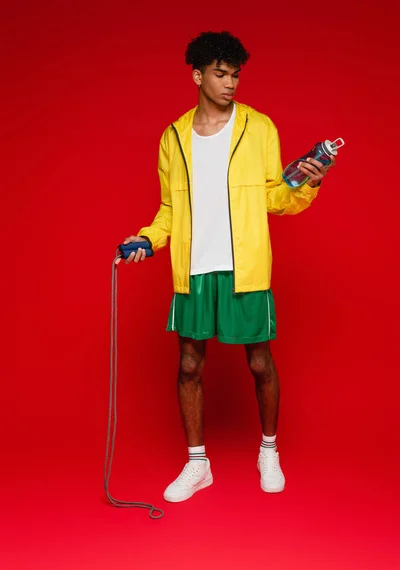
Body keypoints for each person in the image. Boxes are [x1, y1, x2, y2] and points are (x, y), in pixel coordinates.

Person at [120, 31, 336, 503]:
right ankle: (198, 464)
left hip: (246, 266)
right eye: (221, 74)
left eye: (236, 75)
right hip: (193, 268)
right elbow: (167, 211)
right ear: (198, 75)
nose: (231, 83)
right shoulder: (173, 137)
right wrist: (146, 240)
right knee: (189, 365)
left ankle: (268, 451)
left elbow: (275, 198)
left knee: (259, 362)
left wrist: (308, 184)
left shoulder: (259, 127)